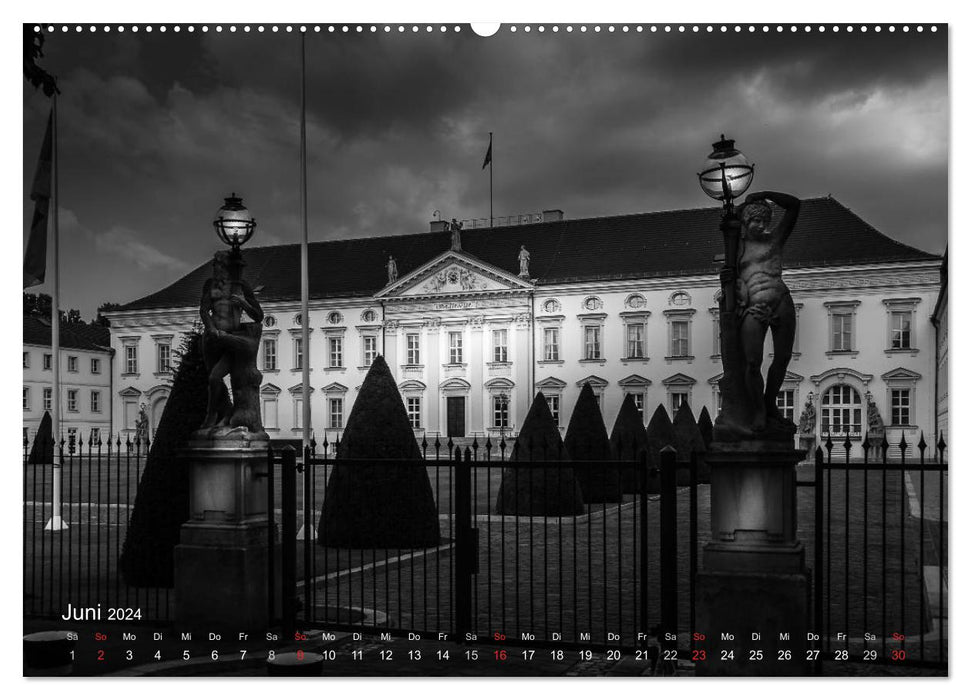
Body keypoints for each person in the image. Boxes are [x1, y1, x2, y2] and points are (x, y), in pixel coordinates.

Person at [734, 191, 800, 431]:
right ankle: (758, 411)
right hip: (754, 306)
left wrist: (765, 195)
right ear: (746, 221)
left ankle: (770, 403)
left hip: (780, 299)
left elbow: (794, 205)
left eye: (765, 221)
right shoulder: (737, 247)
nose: (761, 226)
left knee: (782, 358)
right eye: (756, 221)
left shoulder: (775, 239)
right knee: (752, 363)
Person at [199, 250, 264, 430]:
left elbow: (258, 316)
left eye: (220, 265)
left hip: (231, 341)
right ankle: (226, 412)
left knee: (214, 378)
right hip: (212, 341)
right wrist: (211, 329)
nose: (216, 268)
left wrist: (244, 303)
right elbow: (204, 310)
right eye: (215, 265)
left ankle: (211, 414)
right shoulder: (210, 285)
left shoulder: (241, 286)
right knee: (213, 381)